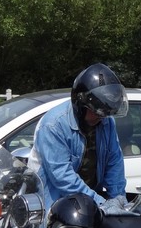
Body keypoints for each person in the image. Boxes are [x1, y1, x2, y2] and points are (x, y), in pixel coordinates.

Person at [31, 63, 128, 213]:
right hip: (55, 207)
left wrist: (119, 202)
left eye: (105, 112)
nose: (101, 117)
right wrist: (101, 203)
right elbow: (62, 176)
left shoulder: (106, 121)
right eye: (97, 112)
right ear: (80, 106)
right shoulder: (53, 125)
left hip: (90, 206)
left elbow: (114, 163)